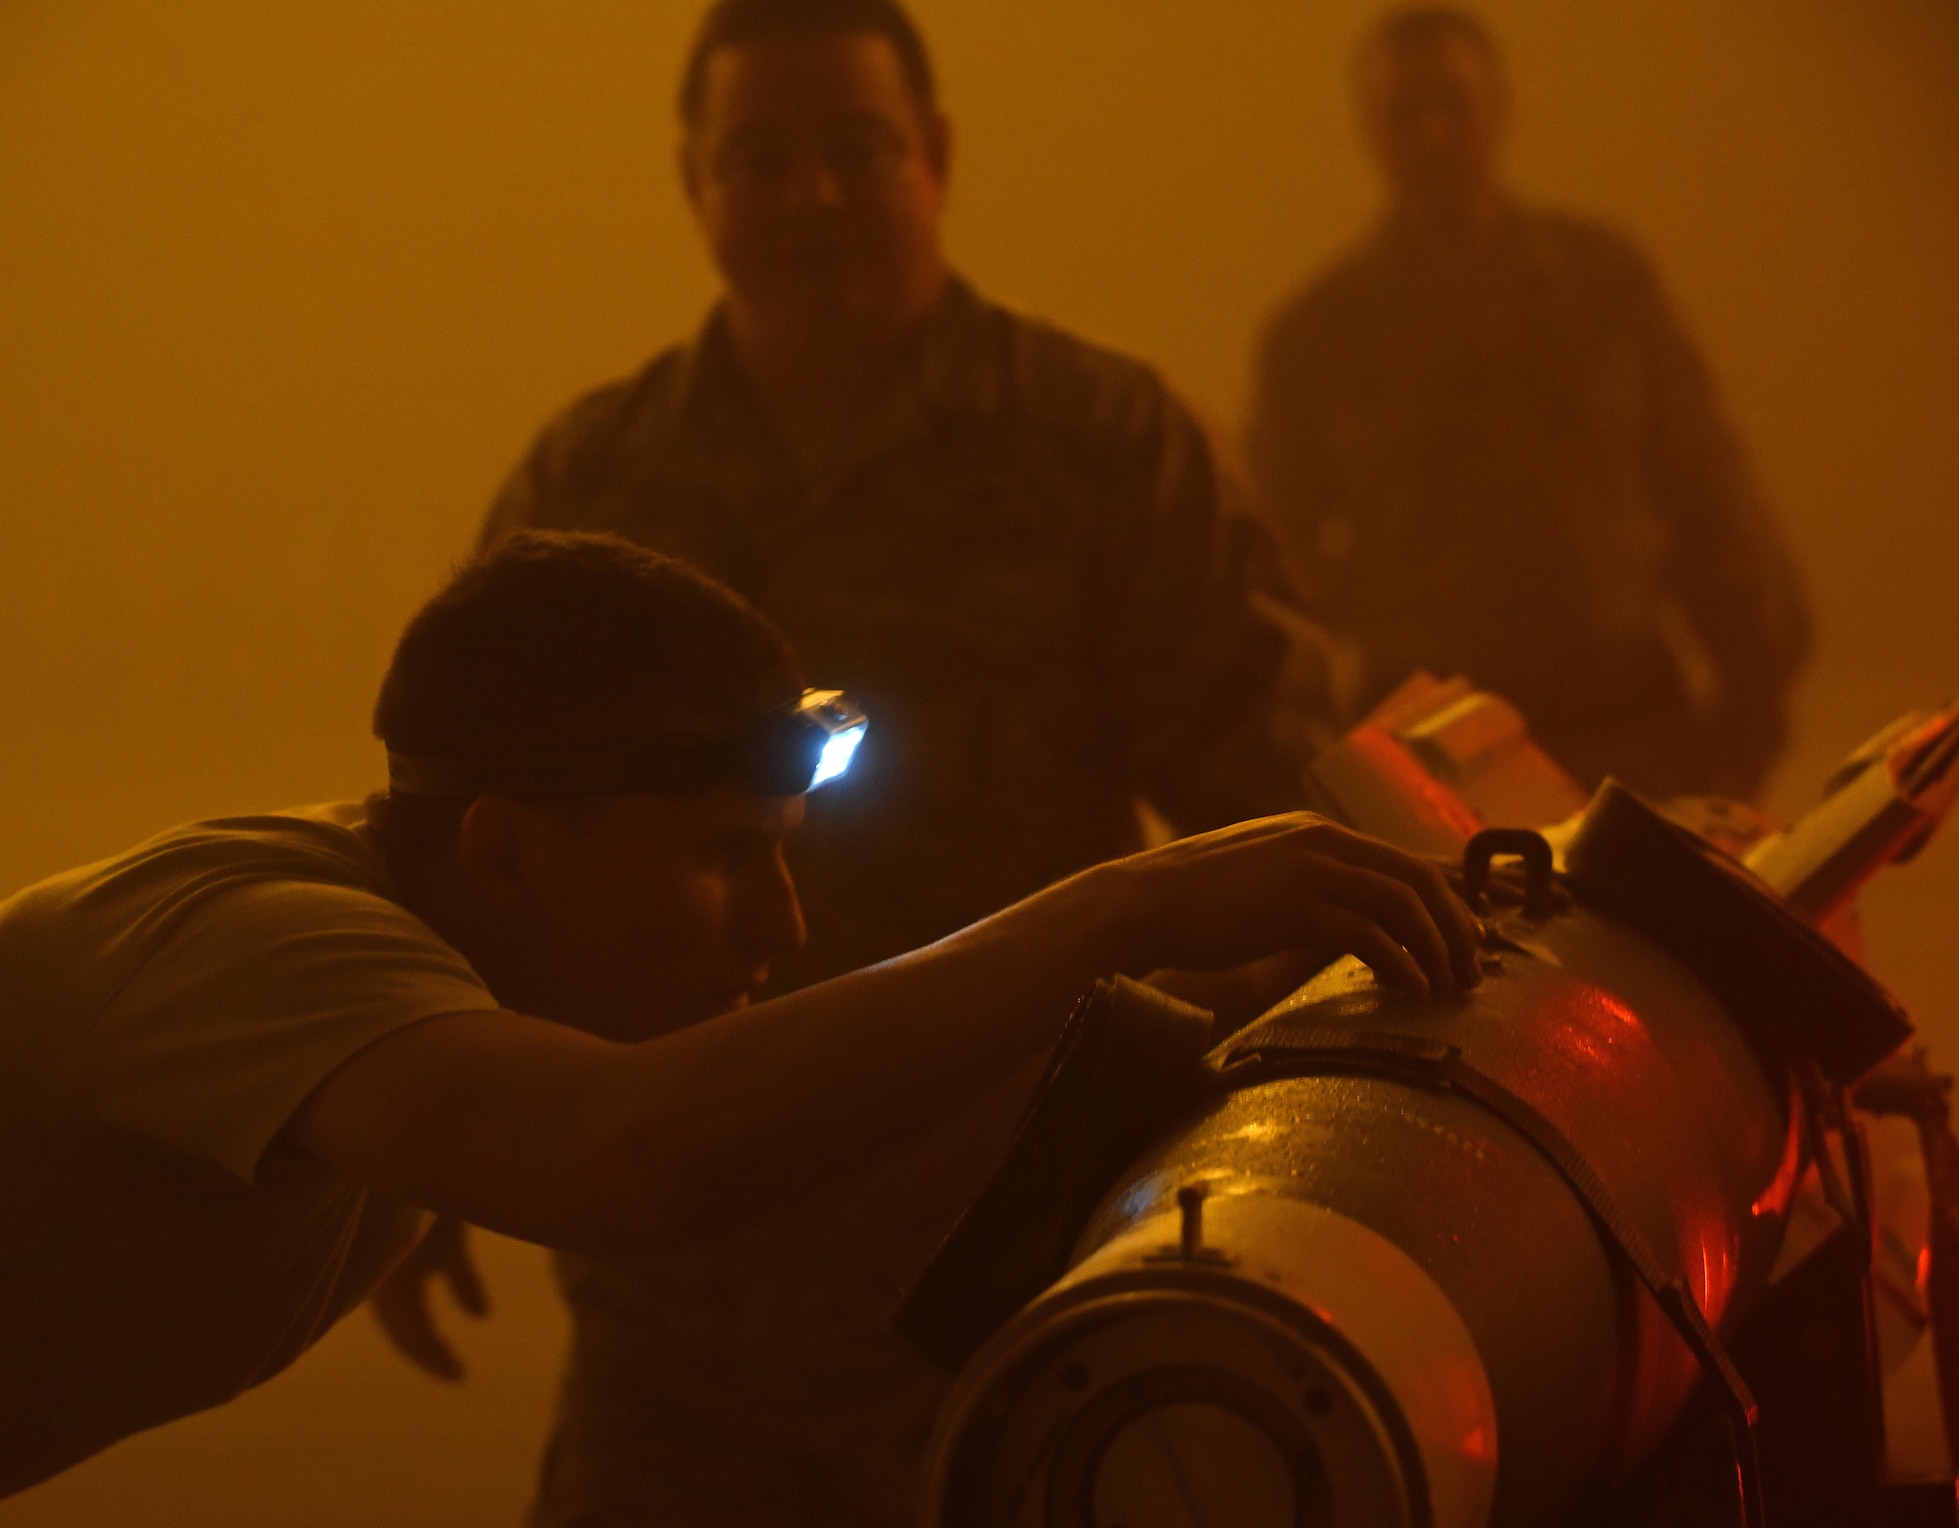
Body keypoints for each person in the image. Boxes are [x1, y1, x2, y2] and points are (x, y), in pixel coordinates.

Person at [0, 531, 1479, 1501]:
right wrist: (1123, 908)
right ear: (507, 850)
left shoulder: (428, 964)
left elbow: (814, 1158)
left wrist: (1237, 1013)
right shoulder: (251, 947)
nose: (783, 922)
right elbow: (643, 1157)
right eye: (727, 857)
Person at [448, 2, 1350, 1522]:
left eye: (856, 151)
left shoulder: (1106, 447)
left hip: (1023, 1302)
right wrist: (415, 1166)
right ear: (695, 183)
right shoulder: (592, 488)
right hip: (679, 1322)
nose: (810, 199)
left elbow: (1277, 838)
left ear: (933, 157)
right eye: (761, 160)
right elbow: (469, 864)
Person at [1245, 5, 1813, 801]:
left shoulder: (1605, 289)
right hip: (1432, 758)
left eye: (1454, 106)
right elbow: (1277, 571)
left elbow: (1708, 493)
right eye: (1406, 114)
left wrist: (1751, 709)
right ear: (1367, 129)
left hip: (1625, 728)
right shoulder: (1317, 339)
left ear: (1500, 111)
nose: (1434, 134)